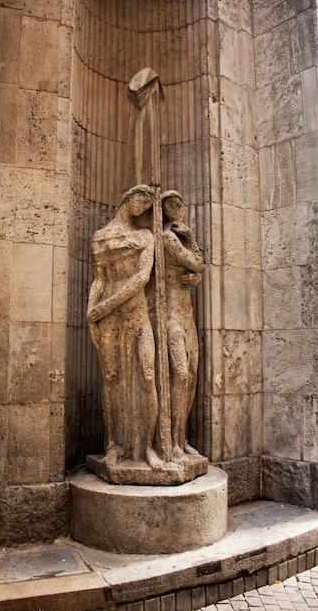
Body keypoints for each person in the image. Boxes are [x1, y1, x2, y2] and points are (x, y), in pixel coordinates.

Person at [87, 184, 163, 469]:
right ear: (128, 198)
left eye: (148, 204)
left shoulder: (145, 236)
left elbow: (142, 278)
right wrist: (90, 312)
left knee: (147, 375)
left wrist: (105, 306)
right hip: (108, 320)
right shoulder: (100, 238)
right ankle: (113, 445)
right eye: (141, 199)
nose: (143, 207)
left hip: (135, 313)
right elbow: (99, 280)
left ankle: (146, 447)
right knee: (111, 379)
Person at [161, 190, 205, 461]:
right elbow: (197, 262)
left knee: (191, 374)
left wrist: (196, 277)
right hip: (170, 315)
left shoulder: (177, 237)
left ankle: (182, 438)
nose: (177, 207)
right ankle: (172, 442)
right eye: (171, 204)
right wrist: (189, 237)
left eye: (180, 202)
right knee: (180, 374)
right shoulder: (168, 237)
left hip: (186, 313)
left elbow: (196, 269)